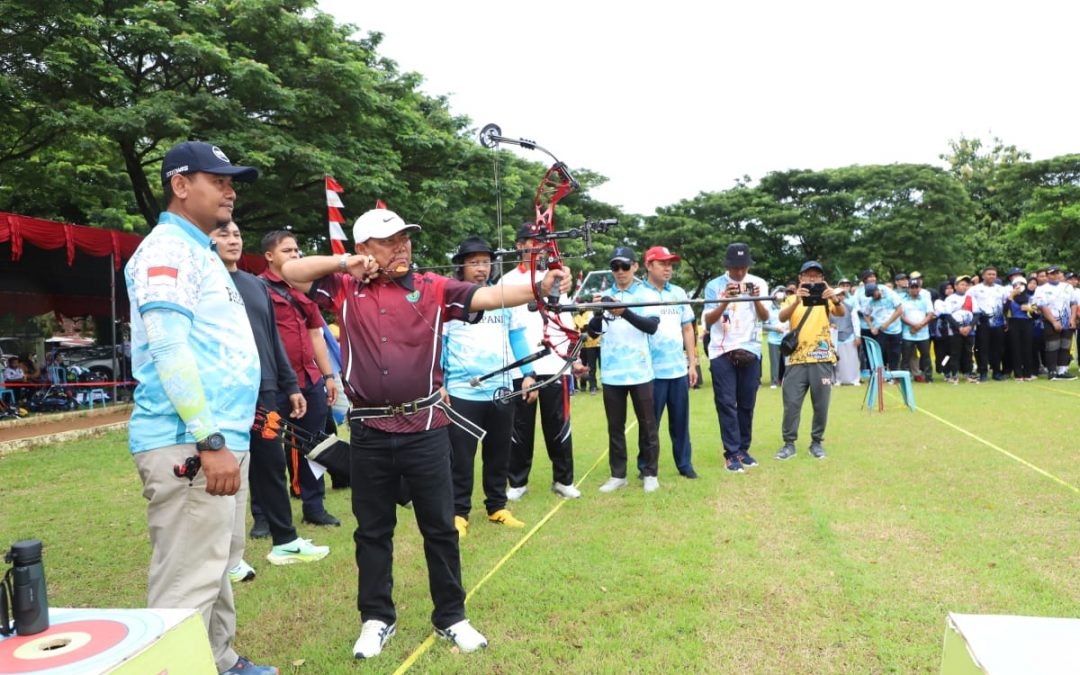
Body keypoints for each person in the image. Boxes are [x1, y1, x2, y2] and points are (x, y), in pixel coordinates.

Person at [279, 207, 571, 660]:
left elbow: (489, 296)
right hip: (371, 430)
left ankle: (451, 616)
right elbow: (288, 269)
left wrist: (540, 285)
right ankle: (377, 618)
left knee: (439, 527)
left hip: (427, 427)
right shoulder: (344, 286)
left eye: (405, 238)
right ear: (364, 249)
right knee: (372, 531)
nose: (402, 247)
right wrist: (343, 264)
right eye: (390, 240)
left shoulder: (432, 287)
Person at [123, 141, 275, 674]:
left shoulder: (200, 250)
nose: (230, 189)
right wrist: (209, 440)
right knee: (186, 579)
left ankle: (221, 660)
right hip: (191, 440)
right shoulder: (168, 249)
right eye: (218, 179)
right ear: (181, 185)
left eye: (232, 180)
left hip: (220, 439)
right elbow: (168, 347)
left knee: (215, 565)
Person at [211, 222, 329, 579]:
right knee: (227, 471)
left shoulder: (255, 285)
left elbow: (273, 341)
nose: (232, 240)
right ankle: (225, 559)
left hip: (264, 392)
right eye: (222, 235)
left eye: (236, 234)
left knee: (271, 462)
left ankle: (285, 541)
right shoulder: (206, 284)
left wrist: (290, 385)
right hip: (223, 394)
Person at [442, 236, 532, 537]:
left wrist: (528, 374)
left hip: (502, 389)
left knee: (499, 453)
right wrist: (439, 382)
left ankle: (497, 507)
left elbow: (517, 338)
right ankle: (458, 513)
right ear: (461, 266)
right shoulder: (449, 301)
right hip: (461, 391)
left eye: (485, 262)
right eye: (473, 262)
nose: (481, 268)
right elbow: (438, 344)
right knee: (461, 456)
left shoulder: (504, 296)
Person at [258, 231, 341, 529]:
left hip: (311, 379)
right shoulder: (259, 288)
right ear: (270, 256)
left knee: (315, 446)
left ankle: (314, 506)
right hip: (274, 383)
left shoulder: (308, 289)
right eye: (287, 250)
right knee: (267, 450)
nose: (295, 255)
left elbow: (316, 334)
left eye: (297, 250)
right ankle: (264, 516)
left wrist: (329, 376)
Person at [500, 222, 581, 501]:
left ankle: (563, 480)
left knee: (558, 425)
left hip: (555, 363)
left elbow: (565, 318)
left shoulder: (557, 277)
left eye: (541, 242)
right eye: (531, 242)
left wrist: (575, 356)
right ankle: (518, 482)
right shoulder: (506, 281)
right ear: (520, 245)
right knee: (520, 429)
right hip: (521, 366)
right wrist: (522, 370)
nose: (536, 247)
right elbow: (505, 327)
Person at [590, 247, 662, 492]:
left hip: (640, 370)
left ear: (634, 267)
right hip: (611, 372)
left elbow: (651, 326)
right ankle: (618, 474)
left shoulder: (646, 293)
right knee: (615, 426)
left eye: (624, 266)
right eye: (615, 267)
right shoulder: (604, 294)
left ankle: (650, 473)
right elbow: (593, 331)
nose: (619, 272)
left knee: (647, 424)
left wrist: (624, 311)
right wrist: (599, 311)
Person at [703, 242, 769, 473]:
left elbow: (765, 316)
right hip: (721, 350)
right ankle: (731, 453)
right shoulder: (714, 286)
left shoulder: (759, 283)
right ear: (727, 266)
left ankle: (743, 449)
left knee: (747, 402)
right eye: (735, 268)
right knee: (726, 402)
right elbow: (708, 321)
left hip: (751, 348)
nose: (739, 272)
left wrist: (756, 298)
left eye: (743, 267)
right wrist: (725, 300)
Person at [775, 261, 846, 460]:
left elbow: (841, 313)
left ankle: (816, 442)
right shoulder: (791, 298)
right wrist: (797, 301)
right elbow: (781, 318)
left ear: (822, 279)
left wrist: (834, 297)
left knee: (821, 404)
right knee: (791, 403)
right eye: (808, 275)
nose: (812, 279)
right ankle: (789, 444)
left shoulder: (827, 298)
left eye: (816, 275)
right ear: (800, 278)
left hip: (822, 358)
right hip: (797, 359)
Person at [641, 245, 698, 478]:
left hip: (677, 370)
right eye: (662, 263)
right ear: (648, 265)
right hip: (650, 372)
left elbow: (687, 328)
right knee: (649, 425)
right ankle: (646, 466)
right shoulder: (639, 294)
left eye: (670, 264)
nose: (667, 268)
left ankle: (684, 465)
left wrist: (692, 363)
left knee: (680, 423)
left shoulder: (679, 293)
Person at [1032, 265, 1077, 380]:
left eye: (1057, 273)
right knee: (1052, 346)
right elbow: (1042, 306)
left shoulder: (1067, 286)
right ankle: (1052, 371)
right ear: (1047, 276)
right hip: (1050, 321)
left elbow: (1073, 303)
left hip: (1067, 320)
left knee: (1065, 346)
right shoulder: (1041, 289)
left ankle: (1063, 371)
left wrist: (1072, 319)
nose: (1055, 275)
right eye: (1052, 273)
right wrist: (1053, 322)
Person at [968, 265, 1009, 381]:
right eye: (989, 274)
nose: (991, 276)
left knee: (998, 348)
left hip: (998, 321)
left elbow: (1006, 305)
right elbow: (968, 305)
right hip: (982, 321)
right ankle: (983, 372)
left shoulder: (1002, 289)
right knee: (982, 348)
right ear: (983, 276)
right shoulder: (974, 289)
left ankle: (996, 372)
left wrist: (1006, 320)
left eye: (994, 274)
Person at [858, 276, 904, 371]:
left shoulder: (890, 295)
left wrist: (887, 323)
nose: (873, 297)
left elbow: (899, 311)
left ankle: (894, 376)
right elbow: (866, 315)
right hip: (881, 330)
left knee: (894, 354)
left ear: (877, 289)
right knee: (879, 353)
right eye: (871, 295)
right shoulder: (871, 301)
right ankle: (880, 375)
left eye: (873, 294)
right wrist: (871, 327)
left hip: (895, 329)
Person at [899, 278, 936, 382]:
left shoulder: (925, 300)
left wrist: (919, 325)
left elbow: (930, 314)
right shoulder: (903, 301)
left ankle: (928, 377)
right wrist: (913, 325)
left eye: (916, 287)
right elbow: (901, 315)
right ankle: (905, 378)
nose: (914, 289)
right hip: (908, 332)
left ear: (919, 288)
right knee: (906, 357)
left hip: (923, 333)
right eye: (912, 287)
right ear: (908, 289)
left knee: (926, 357)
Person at [1004, 270, 1036, 381]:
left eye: (1021, 284)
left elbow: (1036, 315)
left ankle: (1028, 373)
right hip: (1013, 324)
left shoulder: (1030, 298)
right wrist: (1011, 296)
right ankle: (1018, 374)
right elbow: (1004, 311)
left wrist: (1030, 309)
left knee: (1027, 348)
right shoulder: (1010, 298)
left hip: (1026, 323)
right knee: (1015, 348)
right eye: (1016, 285)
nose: (1019, 287)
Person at [832, 279, 861, 386]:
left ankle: (855, 379)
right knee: (838, 360)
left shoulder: (850, 307)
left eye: (841, 295)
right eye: (837, 295)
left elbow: (856, 322)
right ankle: (838, 380)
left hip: (849, 335)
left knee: (853, 359)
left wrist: (857, 336)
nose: (840, 297)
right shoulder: (830, 307)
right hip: (835, 337)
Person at [763, 287, 788, 388]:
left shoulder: (786, 307)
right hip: (773, 340)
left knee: (787, 362)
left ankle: (786, 382)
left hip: (786, 339)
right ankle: (774, 382)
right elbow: (764, 325)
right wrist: (775, 328)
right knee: (775, 362)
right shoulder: (768, 310)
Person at [574, 310, 601, 394]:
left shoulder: (589, 313)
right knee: (588, 366)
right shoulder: (576, 317)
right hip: (586, 345)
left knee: (597, 366)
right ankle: (588, 386)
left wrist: (585, 327)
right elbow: (582, 327)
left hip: (598, 343)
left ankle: (594, 385)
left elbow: (586, 326)